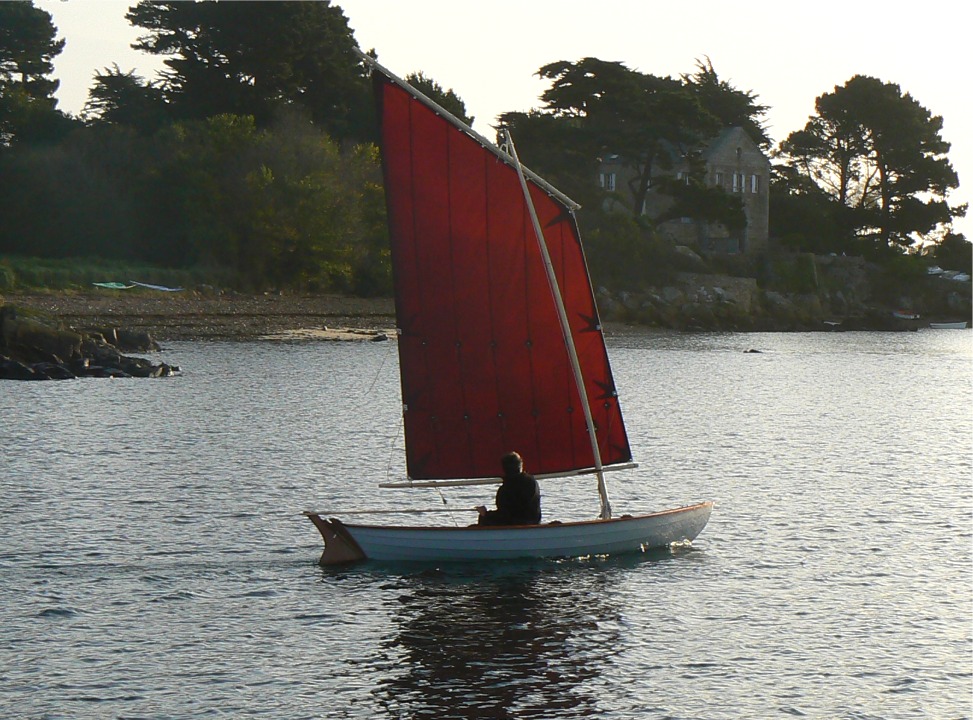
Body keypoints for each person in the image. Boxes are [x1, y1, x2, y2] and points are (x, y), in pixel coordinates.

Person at [476, 451, 541, 526]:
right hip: (533, 522)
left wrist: (485, 514)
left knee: (483, 519)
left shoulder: (507, 488)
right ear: (521, 465)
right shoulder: (532, 482)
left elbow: (506, 515)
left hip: (516, 524)